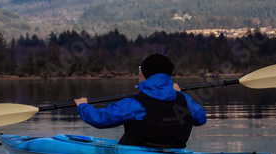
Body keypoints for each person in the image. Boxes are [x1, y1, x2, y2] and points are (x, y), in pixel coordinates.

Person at [74, 53, 206, 148]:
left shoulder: (135, 104)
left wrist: (83, 106)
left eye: (140, 71)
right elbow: (201, 118)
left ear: (144, 74)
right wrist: (179, 94)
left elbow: (100, 119)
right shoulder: (184, 100)